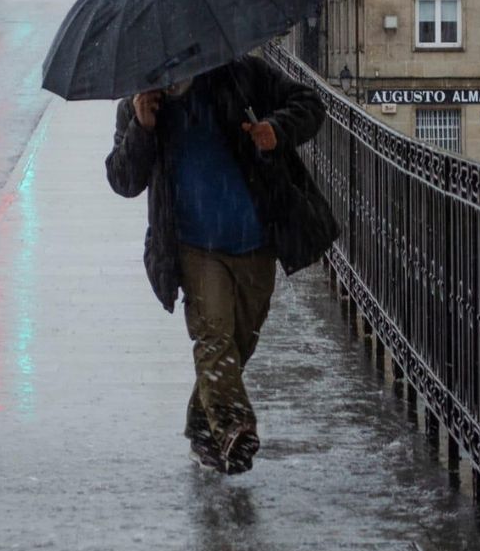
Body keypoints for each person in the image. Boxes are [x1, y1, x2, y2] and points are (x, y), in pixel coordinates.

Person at [106, 53, 340, 474]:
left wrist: (275, 131)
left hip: (255, 240)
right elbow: (123, 180)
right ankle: (234, 427)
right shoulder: (142, 103)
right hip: (194, 247)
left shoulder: (241, 75)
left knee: (239, 342)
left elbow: (308, 104)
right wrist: (142, 128)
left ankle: (201, 425)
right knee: (214, 337)